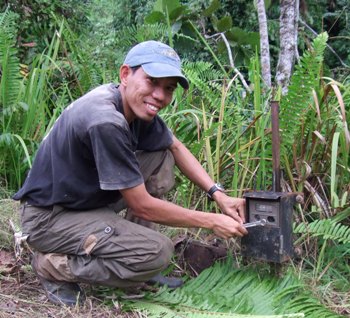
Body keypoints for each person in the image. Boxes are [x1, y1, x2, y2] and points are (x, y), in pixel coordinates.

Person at [13, 40, 248, 306]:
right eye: (152, 82)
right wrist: (211, 221)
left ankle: (134, 261)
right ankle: (53, 267)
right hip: (49, 219)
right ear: (126, 74)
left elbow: (175, 145)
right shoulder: (105, 120)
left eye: (168, 88)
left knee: (161, 155)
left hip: (84, 201)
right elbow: (142, 205)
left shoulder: (133, 109)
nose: (159, 95)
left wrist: (218, 195)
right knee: (158, 252)